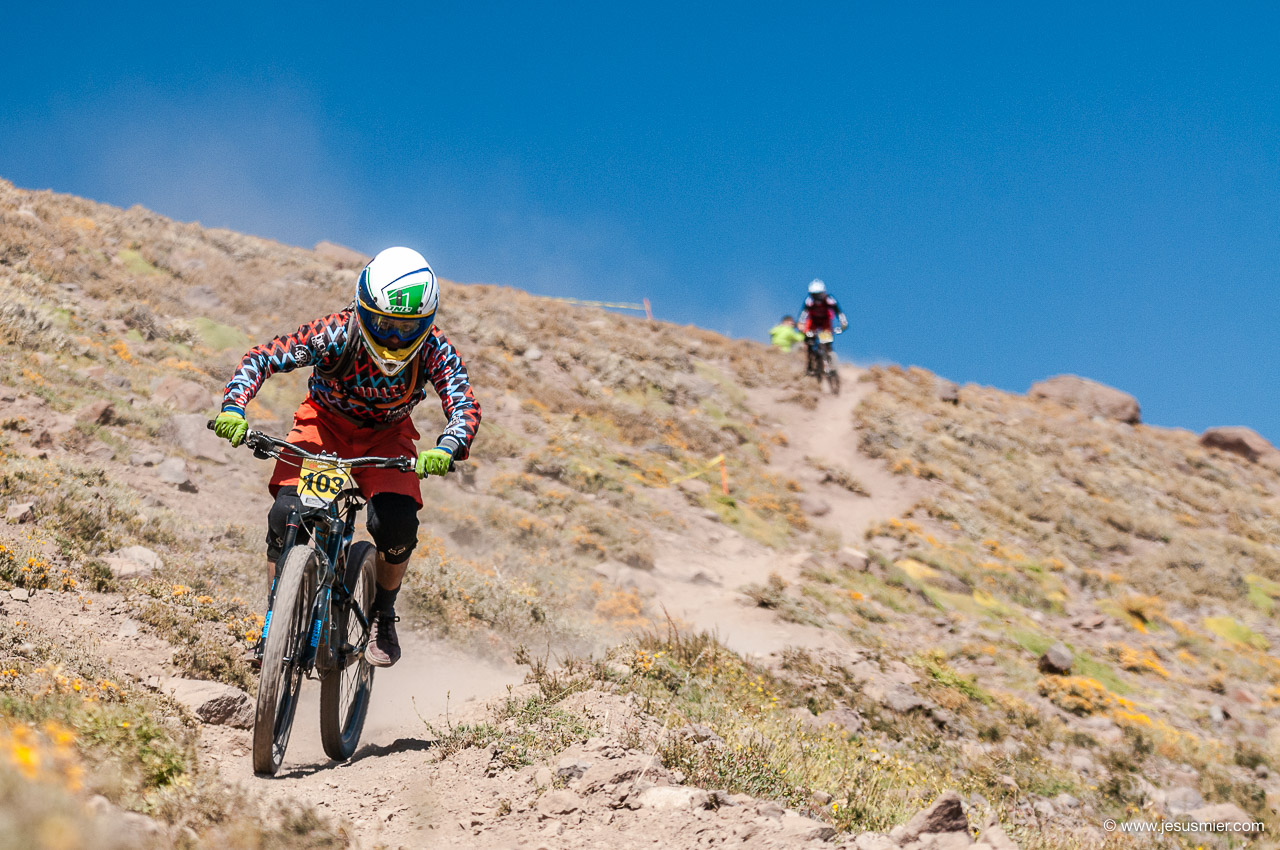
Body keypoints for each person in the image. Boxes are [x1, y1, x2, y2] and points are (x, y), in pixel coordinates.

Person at [212, 247, 481, 668]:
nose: (393, 338)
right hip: (323, 426)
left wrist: (447, 447)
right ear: (362, 308)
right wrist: (234, 407)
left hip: (387, 438)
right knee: (285, 515)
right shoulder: (336, 332)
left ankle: (383, 613)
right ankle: (274, 619)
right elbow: (262, 358)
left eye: (405, 329)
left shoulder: (434, 351)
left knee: (396, 524)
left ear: (426, 324)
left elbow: (464, 405)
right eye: (382, 324)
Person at [797, 279, 848, 376]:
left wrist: (843, 323)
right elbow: (803, 315)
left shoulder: (830, 299)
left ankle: (829, 359)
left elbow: (839, 312)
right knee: (809, 341)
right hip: (813, 322)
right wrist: (801, 325)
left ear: (823, 293)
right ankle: (810, 365)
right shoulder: (809, 301)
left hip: (825, 322)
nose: (817, 297)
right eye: (814, 295)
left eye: (819, 294)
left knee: (827, 342)